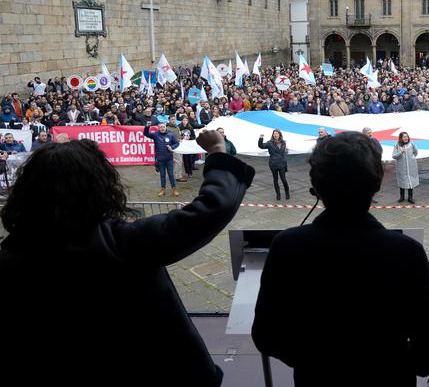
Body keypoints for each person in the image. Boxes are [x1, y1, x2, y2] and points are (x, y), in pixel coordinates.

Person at [0, 131, 255, 386]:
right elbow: (210, 209)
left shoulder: (10, 257)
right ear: (99, 185)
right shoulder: (122, 244)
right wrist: (218, 151)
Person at [252, 132, 429, 386]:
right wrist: (393, 364)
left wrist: (313, 360)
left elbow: (267, 335)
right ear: (376, 184)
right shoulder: (406, 252)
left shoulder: (287, 247)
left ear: (316, 187)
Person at [144, 122, 180, 197]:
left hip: (169, 158)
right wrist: (147, 127)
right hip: (160, 159)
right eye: (160, 127)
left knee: (171, 175)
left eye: (163, 127)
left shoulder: (170, 135)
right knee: (162, 175)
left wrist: (172, 147)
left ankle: (174, 189)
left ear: (165, 127)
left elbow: (177, 143)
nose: (162, 128)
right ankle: (162, 189)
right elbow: (146, 134)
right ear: (158, 128)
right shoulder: (155, 135)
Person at [258, 129, 290, 200]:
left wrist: (286, 150)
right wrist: (261, 138)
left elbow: (284, 152)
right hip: (273, 164)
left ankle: (287, 193)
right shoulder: (270, 143)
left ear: (279, 135)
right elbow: (261, 146)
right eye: (274, 133)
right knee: (275, 180)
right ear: (273, 135)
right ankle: (278, 195)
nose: (275, 135)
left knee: (283, 179)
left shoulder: (283, 142)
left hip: (282, 164)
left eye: (277, 133)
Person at [392, 132, 419, 204]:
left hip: (411, 166)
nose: (406, 138)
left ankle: (410, 197)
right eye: (404, 137)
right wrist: (401, 152)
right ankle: (402, 197)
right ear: (401, 138)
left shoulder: (411, 144)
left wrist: (412, 158)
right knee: (402, 181)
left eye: (407, 136)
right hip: (401, 167)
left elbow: (416, 152)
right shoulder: (397, 145)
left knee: (411, 182)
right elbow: (394, 156)